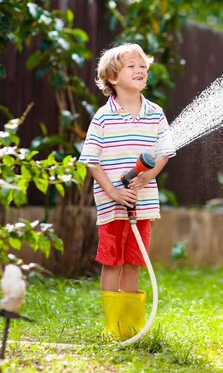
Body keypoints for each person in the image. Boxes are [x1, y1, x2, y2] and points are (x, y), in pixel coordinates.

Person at [78, 43, 176, 339]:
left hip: (143, 203)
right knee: (112, 261)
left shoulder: (155, 113)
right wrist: (114, 193)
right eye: (131, 66)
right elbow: (92, 162)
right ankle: (112, 327)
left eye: (143, 66)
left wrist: (148, 178)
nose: (140, 71)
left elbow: (163, 153)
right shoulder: (103, 117)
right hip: (112, 205)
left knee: (134, 260)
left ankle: (129, 328)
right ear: (111, 77)